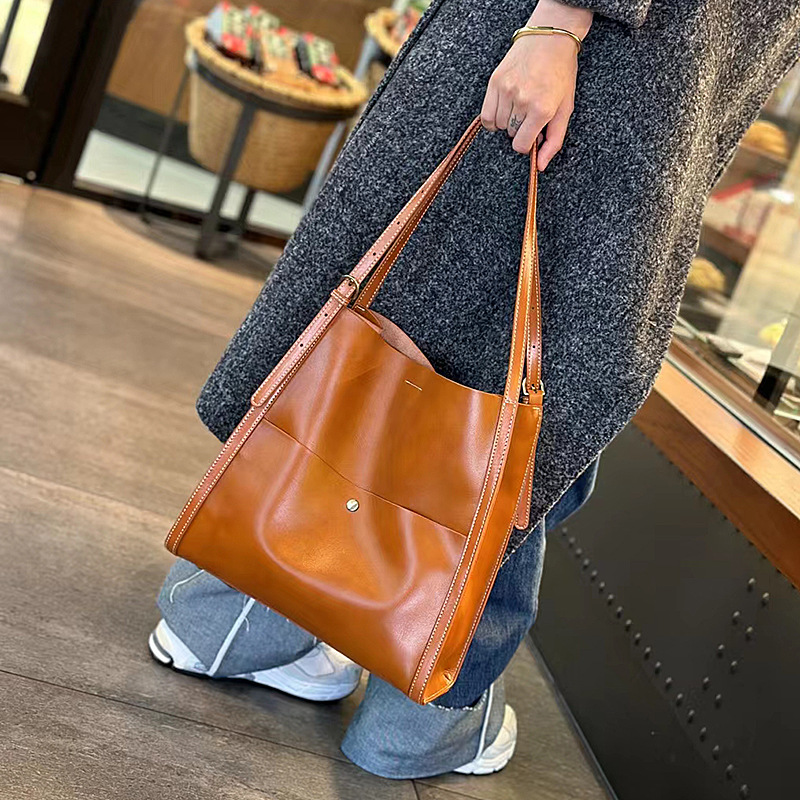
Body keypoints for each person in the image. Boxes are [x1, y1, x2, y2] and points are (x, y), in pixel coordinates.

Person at [150, 0, 800, 780]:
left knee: (427, 322)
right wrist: (560, 22)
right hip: (613, 71)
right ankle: (414, 708)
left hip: (618, 71)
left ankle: (242, 618)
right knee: (526, 398)